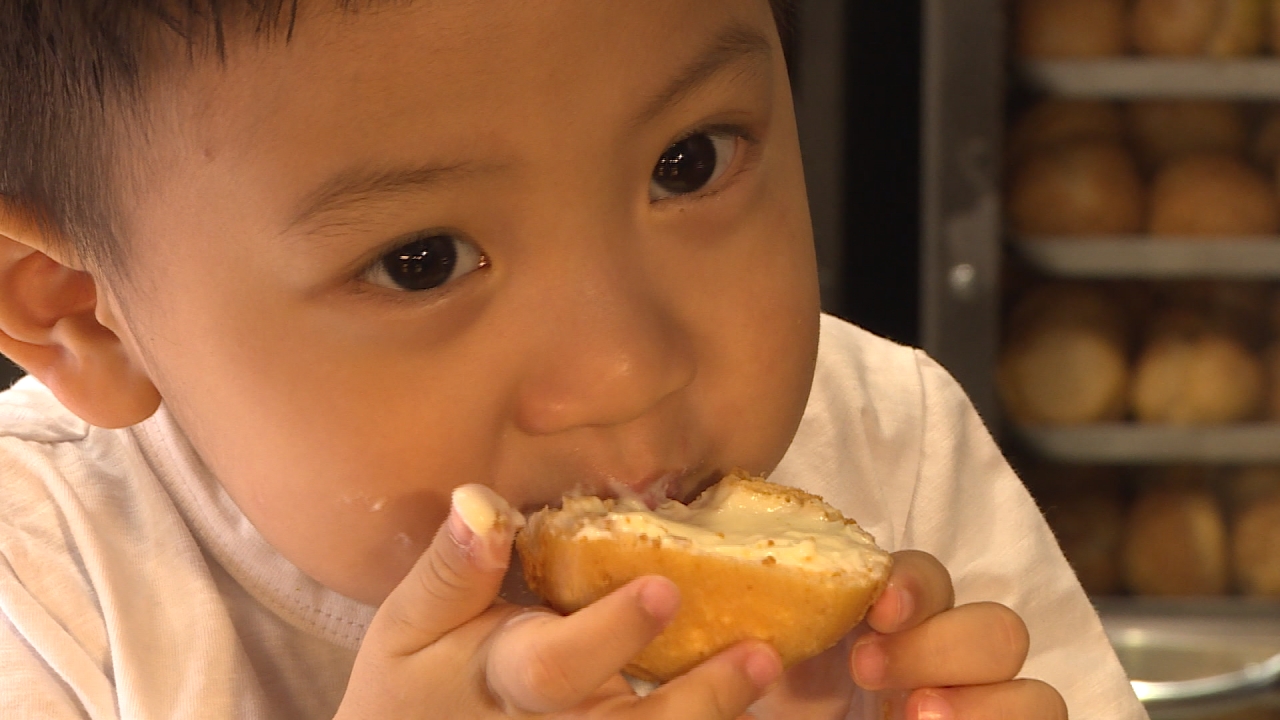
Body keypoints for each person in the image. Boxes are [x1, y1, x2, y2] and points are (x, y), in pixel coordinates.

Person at [0, 1, 1142, 718]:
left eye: (688, 163)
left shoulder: (895, 449)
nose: (625, 369)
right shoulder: (46, 590)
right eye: (421, 261)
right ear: (83, 317)